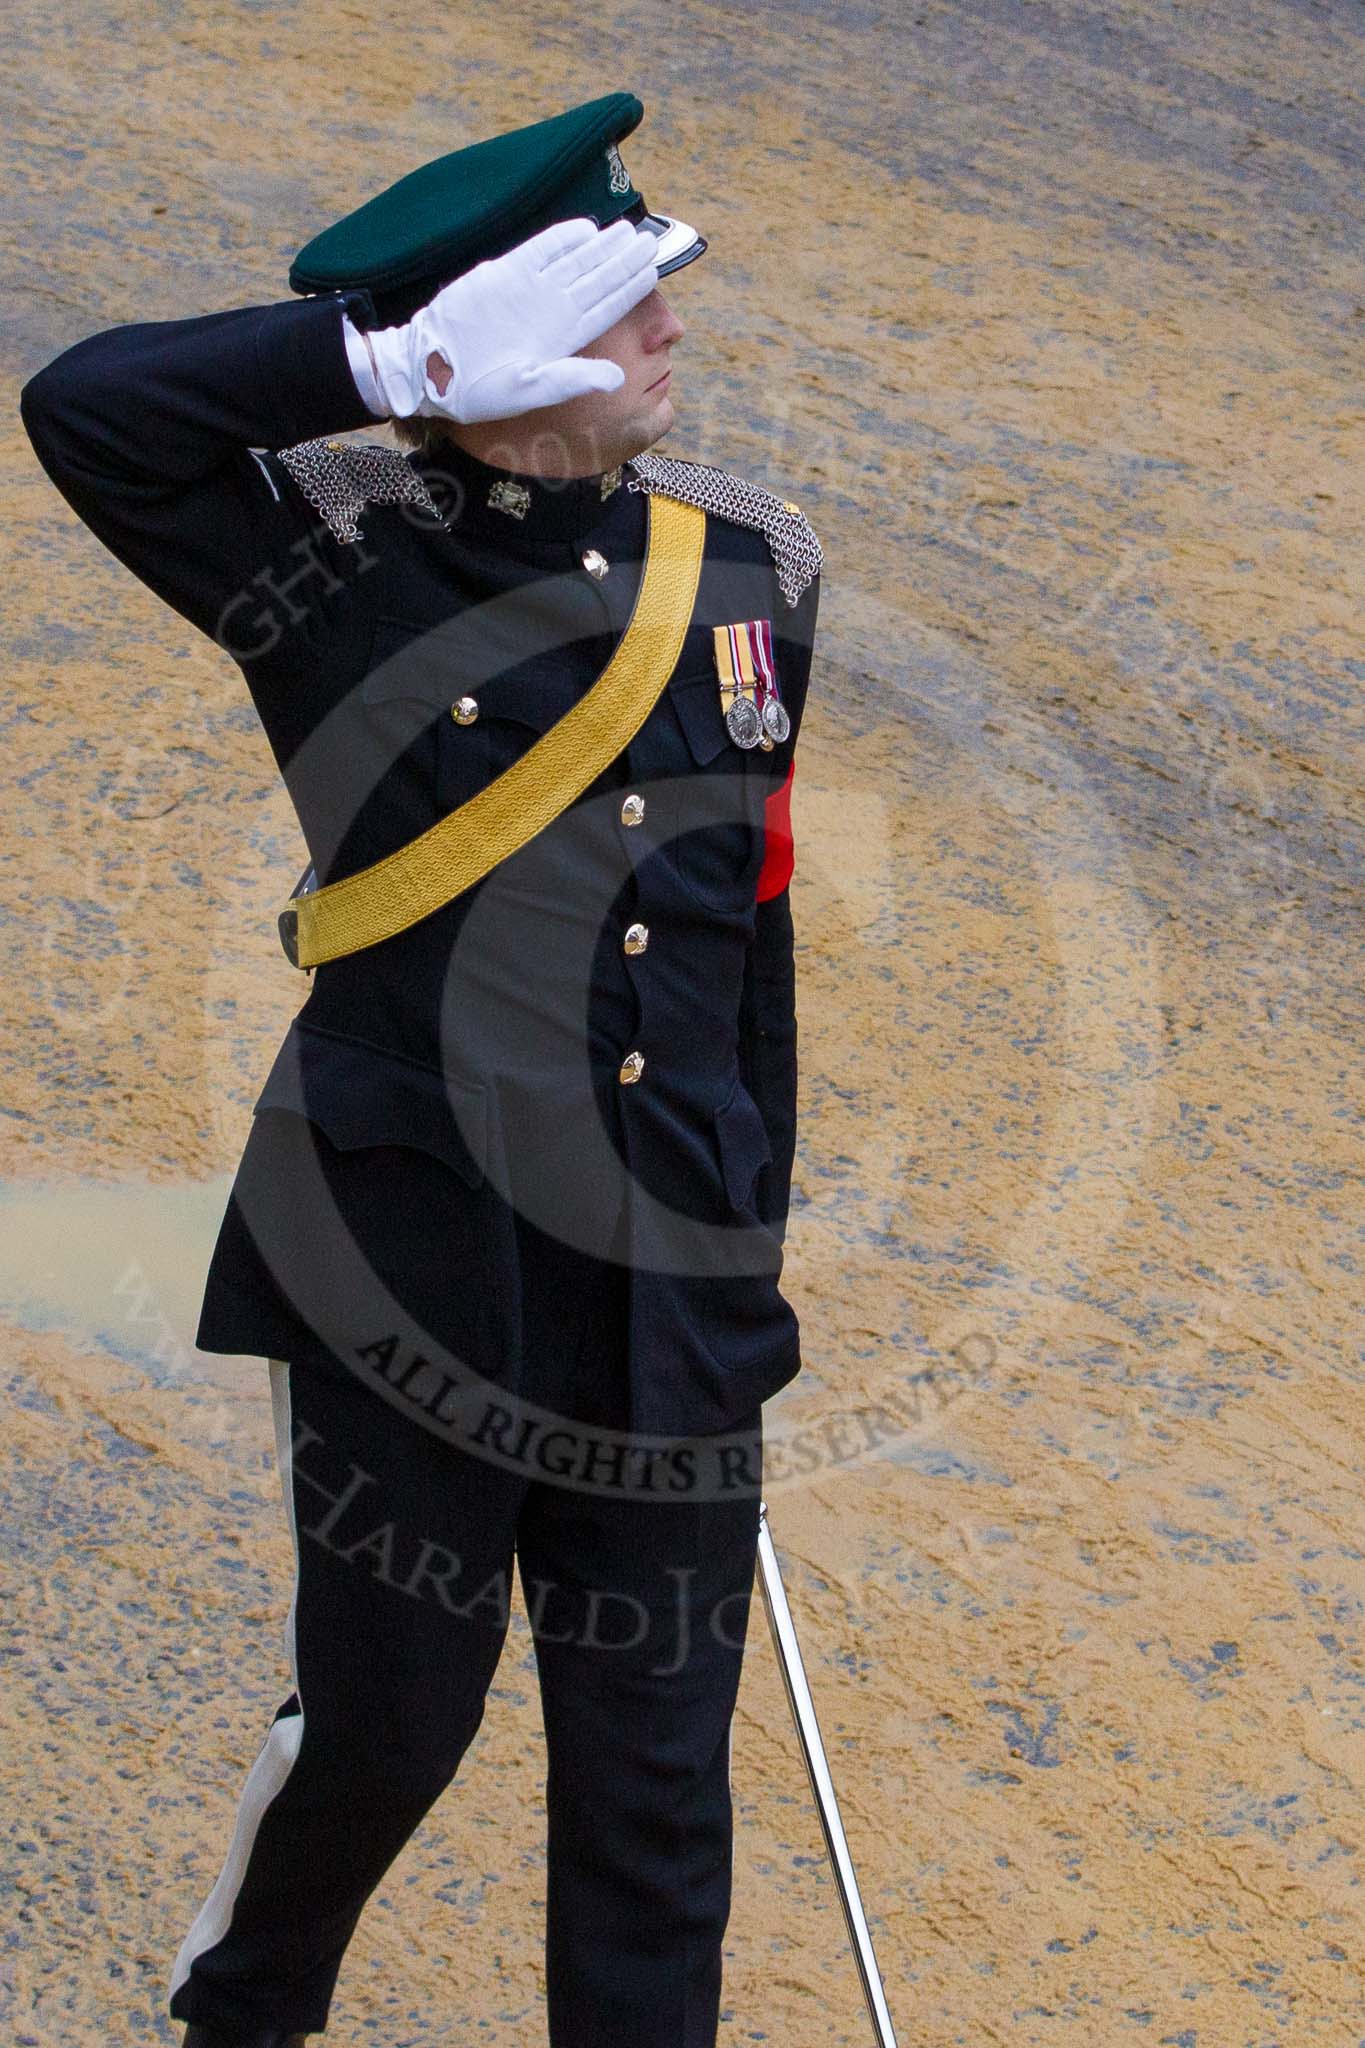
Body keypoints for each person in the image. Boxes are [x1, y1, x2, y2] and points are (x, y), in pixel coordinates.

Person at [20, 89, 822, 2048]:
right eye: (614, 301)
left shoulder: (752, 568)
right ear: (499, 343)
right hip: (408, 1260)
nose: (666, 331)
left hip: (661, 1284)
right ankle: (243, 2005)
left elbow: (745, 950)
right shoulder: (335, 552)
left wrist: (743, 1252)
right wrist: (373, 362)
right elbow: (92, 408)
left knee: (654, 1786)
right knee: (390, 1722)